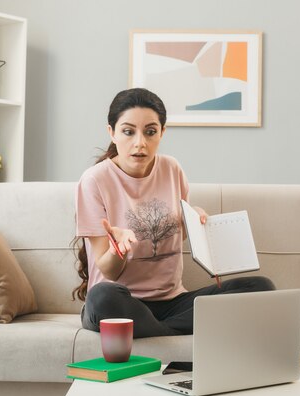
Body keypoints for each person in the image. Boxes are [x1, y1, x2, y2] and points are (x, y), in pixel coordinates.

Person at [73, 88, 275, 338]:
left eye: (150, 132)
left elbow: (176, 240)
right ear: (112, 133)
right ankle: (178, 338)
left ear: (162, 133)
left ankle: (158, 334)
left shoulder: (172, 169)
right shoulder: (94, 180)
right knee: (102, 297)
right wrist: (119, 250)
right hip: (122, 302)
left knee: (260, 288)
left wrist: (193, 220)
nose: (140, 143)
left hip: (173, 304)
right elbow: (110, 271)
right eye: (128, 131)